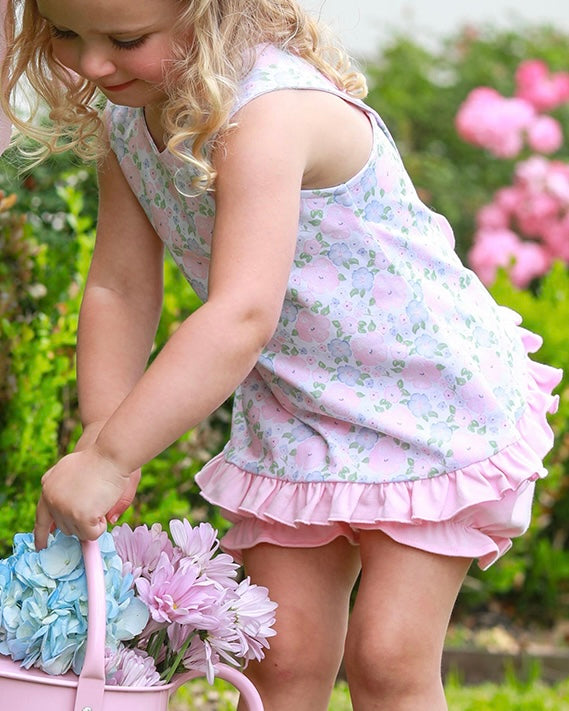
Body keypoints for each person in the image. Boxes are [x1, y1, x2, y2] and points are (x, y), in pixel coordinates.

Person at [0, 0, 562, 708]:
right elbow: (118, 286)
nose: (90, 63)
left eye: (125, 39)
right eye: (66, 34)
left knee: (386, 656)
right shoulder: (130, 119)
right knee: (280, 655)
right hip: (296, 407)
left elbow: (241, 314)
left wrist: (113, 458)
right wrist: (103, 438)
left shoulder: (270, 113)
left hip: (424, 400)